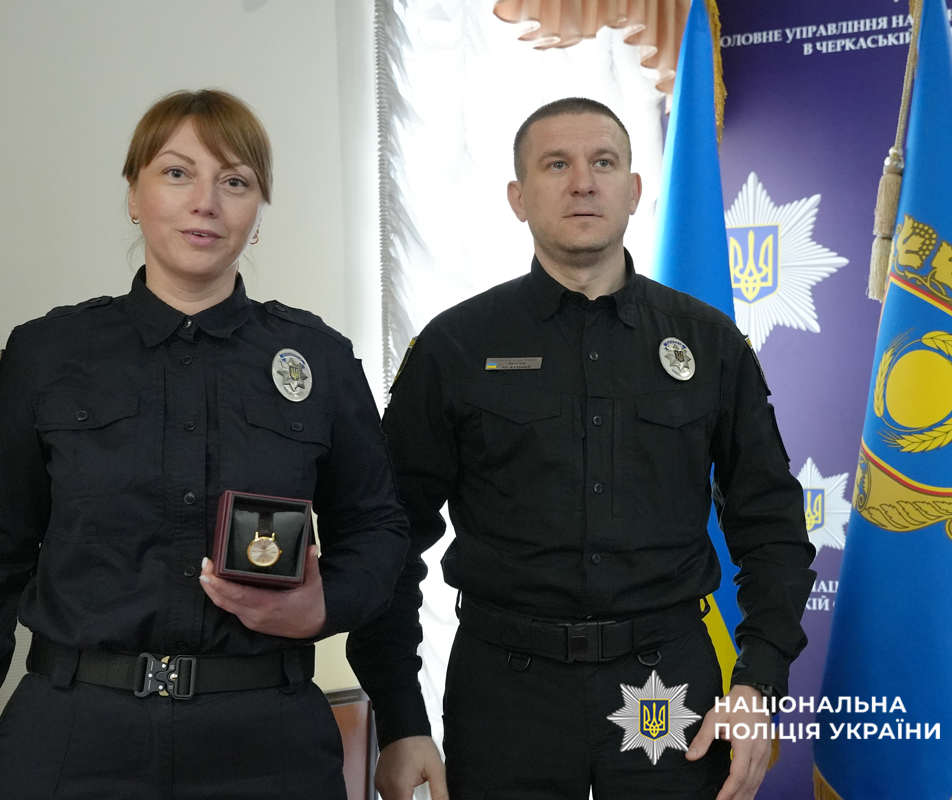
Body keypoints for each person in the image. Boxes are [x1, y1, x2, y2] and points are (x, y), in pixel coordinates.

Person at [0, 89, 409, 800]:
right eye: (178, 173)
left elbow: (378, 528)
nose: (205, 202)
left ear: (258, 212)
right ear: (134, 195)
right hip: (74, 738)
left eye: (235, 181)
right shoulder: (48, 355)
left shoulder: (320, 360)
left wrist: (324, 605)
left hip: (266, 743)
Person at [346, 98, 816, 800]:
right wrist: (400, 717)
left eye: (603, 162)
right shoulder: (456, 347)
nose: (583, 183)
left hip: (666, 685)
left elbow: (772, 528)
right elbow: (385, 542)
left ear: (633, 190)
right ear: (518, 197)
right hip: (506, 694)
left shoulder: (710, 343)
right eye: (556, 165)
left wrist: (758, 683)